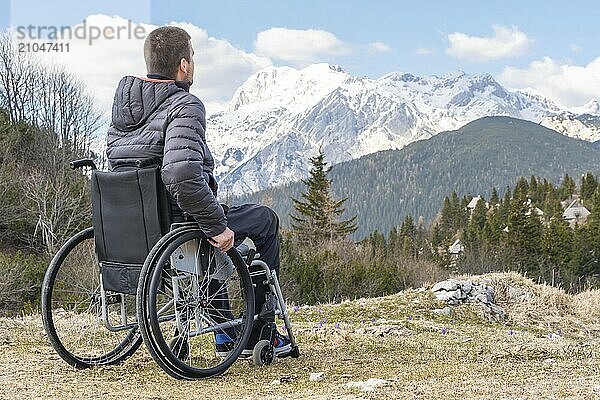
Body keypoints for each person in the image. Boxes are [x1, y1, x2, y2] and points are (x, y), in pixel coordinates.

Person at [105, 25, 290, 357]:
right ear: (184, 65)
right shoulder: (184, 105)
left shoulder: (123, 108)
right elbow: (181, 172)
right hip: (176, 222)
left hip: (135, 228)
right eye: (193, 56)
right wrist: (217, 224)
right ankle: (261, 330)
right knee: (262, 220)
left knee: (209, 229)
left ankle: (226, 333)